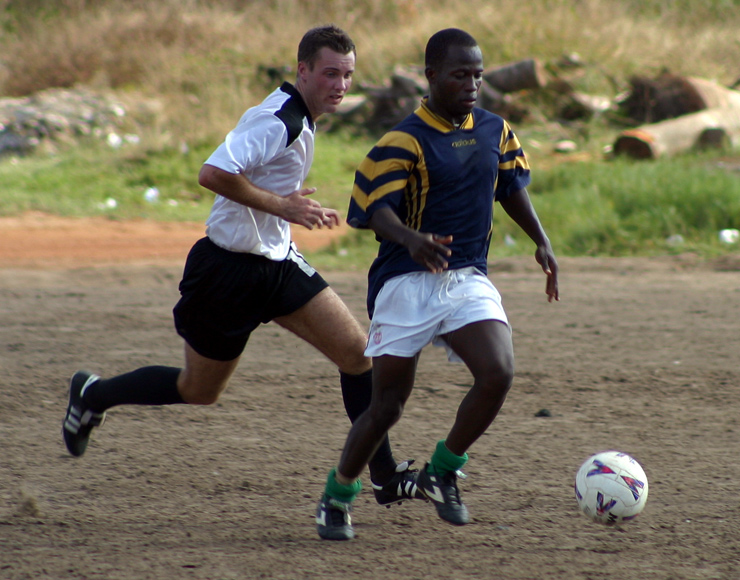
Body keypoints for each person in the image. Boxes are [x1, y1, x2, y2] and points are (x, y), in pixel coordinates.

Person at [61, 24, 425, 509]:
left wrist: (284, 213)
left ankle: (382, 475)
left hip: (275, 265)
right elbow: (211, 173)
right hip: (227, 272)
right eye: (330, 73)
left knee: (359, 356)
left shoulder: (301, 117)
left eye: (348, 75)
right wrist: (285, 207)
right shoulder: (278, 119)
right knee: (199, 389)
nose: (340, 84)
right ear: (303, 70)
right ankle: (93, 394)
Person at [315, 28, 559, 541]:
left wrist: (541, 241)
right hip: (405, 281)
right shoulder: (402, 139)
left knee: (498, 372)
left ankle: (442, 470)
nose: (472, 84)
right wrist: (411, 239)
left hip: (467, 276)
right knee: (386, 407)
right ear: (430, 77)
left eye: (478, 74)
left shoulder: (496, 130)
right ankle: (337, 496)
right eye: (459, 74)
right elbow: (374, 212)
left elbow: (510, 188)